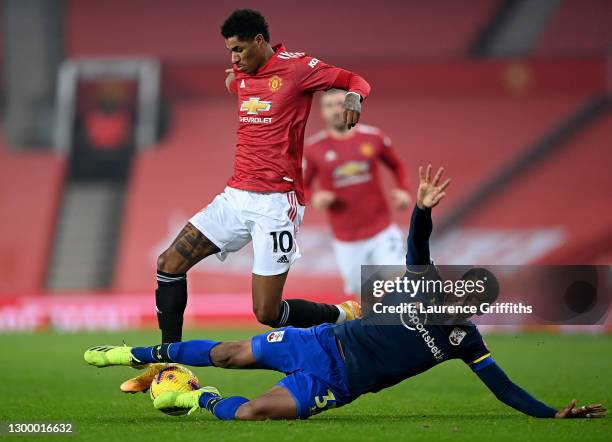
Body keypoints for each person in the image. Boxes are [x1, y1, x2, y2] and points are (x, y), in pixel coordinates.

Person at [84, 165, 606, 421]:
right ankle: (136, 354)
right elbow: (417, 240)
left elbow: (505, 389)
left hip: (340, 381)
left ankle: (192, 395)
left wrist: (551, 414)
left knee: (251, 415)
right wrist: (422, 208)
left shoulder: (466, 343)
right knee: (226, 352)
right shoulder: (424, 288)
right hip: (319, 342)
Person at [152, 10, 370, 346]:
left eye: (239, 49)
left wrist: (354, 96)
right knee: (169, 262)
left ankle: (343, 315)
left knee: (267, 313)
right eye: (230, 52)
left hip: (277, 204)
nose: (235, 58)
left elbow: (355, 80)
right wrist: (234, 78)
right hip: (236, 197)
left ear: (259, 41)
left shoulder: (298, 68)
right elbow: (246, 89)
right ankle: (170, 362)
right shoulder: (241, 72)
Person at [304, 89, 411, 297]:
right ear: (322, 112)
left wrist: (403, 191)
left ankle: (417, 328)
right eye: (329, 106)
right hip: (346, 239)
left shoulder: (373, 137)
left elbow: (397, 165)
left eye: (340, 104)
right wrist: (315, 197)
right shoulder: (314, 148)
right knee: (366, 297)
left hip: (381, 229)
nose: (336, 110)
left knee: (401, 284)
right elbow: (302, 185)